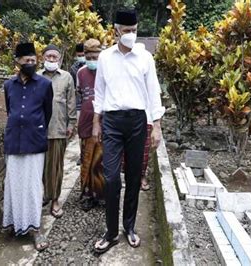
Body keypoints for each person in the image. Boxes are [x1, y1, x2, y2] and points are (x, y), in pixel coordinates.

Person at [92, 9, 165, 253]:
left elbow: (153, 92)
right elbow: (99, 92)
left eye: (134, 31)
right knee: (112, 178)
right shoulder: (105, 58)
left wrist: (157, 126)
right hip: (112, 121)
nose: (131, 35)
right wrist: (96, 121)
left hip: (137, 121)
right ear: (116, 31)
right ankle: (111, 232)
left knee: (134, 177)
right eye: (126, 31)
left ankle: (129, 227)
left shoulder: (145, 58)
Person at [2, 42, 53, 251]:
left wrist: (36, 128)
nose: (31, 63)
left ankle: (34, 228)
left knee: (32, 186)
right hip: (14, 140)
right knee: (14, 183)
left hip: (34, 140)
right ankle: (15, 224)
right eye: (27, 60)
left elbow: (47, 112)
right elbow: (9, 109)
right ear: (18, 62)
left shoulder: (44, 84)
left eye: (33, 60)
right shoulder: (8, 86)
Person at [40, 44, 77, 218]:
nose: (52, 59)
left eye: (55, 57)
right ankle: (43, 195)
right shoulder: (36, 77)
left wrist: (71, 124)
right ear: (43, 58)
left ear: (60, 59)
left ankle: (55, 200)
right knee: (39, 168)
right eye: (49, 56)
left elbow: (71, 102)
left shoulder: (67, 77)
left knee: (56, 167)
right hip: (37, 131)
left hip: (58, 128)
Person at [76, 38, 104, 211]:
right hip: (86, 121)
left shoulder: (107, 71)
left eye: (96, 56)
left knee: (100, 161)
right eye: (89, 56)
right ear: (85, 56)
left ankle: (101, 195)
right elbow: (79, 99)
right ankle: (87, 195)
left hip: (103, 121)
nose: (93, 60)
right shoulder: (80, 73)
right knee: (86, 159)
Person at [70, 43, 86, 166]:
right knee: (81, 131)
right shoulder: (74, 69)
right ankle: (83, 155)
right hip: (79, 103)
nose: (82, 57)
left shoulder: (95, 65)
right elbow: (73, 88)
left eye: (83, 55)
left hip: (93, 102)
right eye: (79, 55)